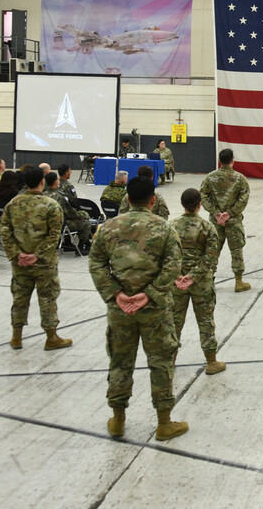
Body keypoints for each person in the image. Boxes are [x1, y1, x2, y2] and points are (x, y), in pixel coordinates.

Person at [89, 176, 187, 441]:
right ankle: (164, 423)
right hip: (155, 310)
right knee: (161, 362)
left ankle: (118, 420)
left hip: (121, 311)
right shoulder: (164, 229)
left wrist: (116, 295)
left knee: (120, 362)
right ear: (153, 200)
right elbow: (173, 266)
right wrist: (150, 294)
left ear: (128, 199)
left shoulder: (108, 228)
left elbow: (96, 262)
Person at [0, 167, 72, 351]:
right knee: (47, 298)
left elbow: (5, 231)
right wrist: (37, 255)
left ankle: (16, 337)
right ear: (42, 181)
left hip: (20, 263)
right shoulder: (51, 205)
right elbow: (54, 235)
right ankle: (51, 337)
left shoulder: (12, 204)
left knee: (19, 298)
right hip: (44, 263)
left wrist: (17, 254)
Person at [171, 188, 226, 375]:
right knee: (205, 321)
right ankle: (211, 362)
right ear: (199, 204)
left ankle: (169, 359)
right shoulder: (207, 227)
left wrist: (179, 276)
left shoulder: (171, 226)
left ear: (182, 204)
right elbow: (211, 257)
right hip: (201, 283)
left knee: (174, 321)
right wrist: (193, 276)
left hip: (176, 283)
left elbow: (166, 256)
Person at [200, 149, 251, 292]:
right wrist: (229, 214)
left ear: (219, 161)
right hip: (233, 221)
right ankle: (239, 282)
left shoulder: (210, 178)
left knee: (213, 251)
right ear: (232, 160)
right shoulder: (240, 179)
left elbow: (203, 196)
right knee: (236, 250)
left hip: (216, 222)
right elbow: (243, 199)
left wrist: (216, 214)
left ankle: (209, 280)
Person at [44, 171, 93, 254]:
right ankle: (82, 246)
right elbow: (70, 213)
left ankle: (68, 243)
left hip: (45, 223)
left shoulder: (43, 195)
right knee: (86, 222)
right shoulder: (60, 196)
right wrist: (80, 216)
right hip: (60, 224)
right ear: (56, 181)